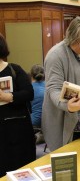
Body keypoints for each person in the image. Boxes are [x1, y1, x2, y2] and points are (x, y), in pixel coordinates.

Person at [42, 16, 80, 151]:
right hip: (69, 122)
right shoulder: (56, 55)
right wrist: (67, 105)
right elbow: (53, 89)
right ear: (71, 38)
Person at [0, 33, 35, 177]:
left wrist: (9, 97)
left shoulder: (15, 69)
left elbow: (29, 93)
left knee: (20, 168)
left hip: (18, 130)